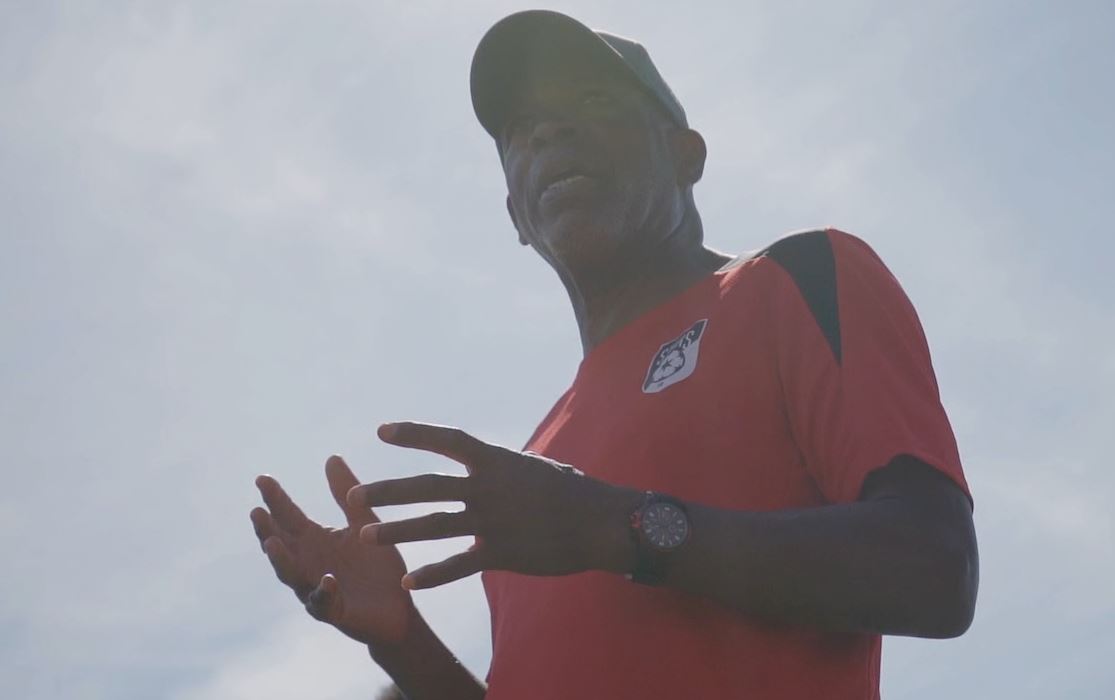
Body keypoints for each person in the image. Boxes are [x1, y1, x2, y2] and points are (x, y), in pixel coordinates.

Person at [249, 10, 978, 700]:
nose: (548, 132)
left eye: (591, 98)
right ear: (515, 217)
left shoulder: (799, 278)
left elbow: (936, 566)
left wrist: (614, 528)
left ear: (683, 152)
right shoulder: (536, 462)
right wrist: (401, 640)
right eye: (520, 129)